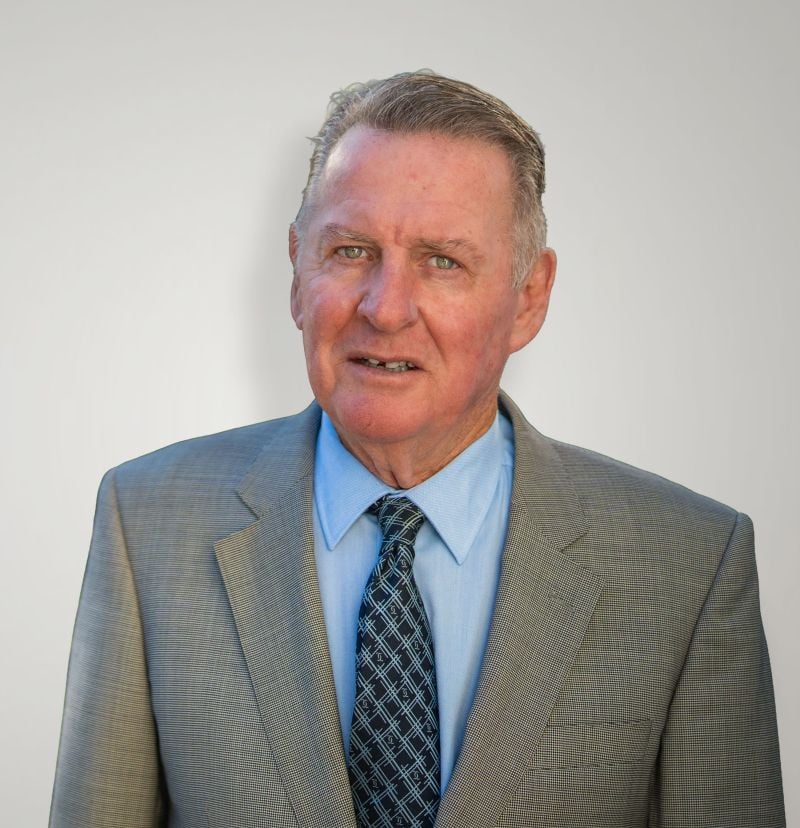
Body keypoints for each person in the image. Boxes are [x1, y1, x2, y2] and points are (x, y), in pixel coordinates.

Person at [50, 71, 785, 827]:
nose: (386, 307)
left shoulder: (686, 559)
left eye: (442, 260)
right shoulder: (149, 523)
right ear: (297, 270)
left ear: (529, 296)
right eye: (351, 250)